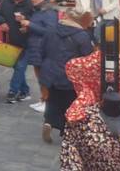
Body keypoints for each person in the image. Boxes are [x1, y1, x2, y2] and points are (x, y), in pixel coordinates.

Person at [37, 8, 94, 144]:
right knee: (70, 102)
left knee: (52, 100)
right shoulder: (82, 35)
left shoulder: (50, 31)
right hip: (70, 75)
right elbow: (87, 57)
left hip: (50, 73)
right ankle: (66, 129)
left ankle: (49, 122)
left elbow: (42, 50)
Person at [18, 0, 57, 113]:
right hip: (35, 46)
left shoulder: (49, 12)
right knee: (39, 75)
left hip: (43, 47)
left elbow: (50, 31)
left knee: (44, 76)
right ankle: (43, 99)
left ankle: (48, 101)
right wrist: (27, 28)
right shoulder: (37, 11)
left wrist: (30, 25)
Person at [0, 0, 34, 103]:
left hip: (27, 41)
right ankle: (25, 91)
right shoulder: (6, 3)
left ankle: (13, 90)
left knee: (20, 66)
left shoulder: (30, 4)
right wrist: (2, 22)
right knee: (17, 67)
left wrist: (27, 24)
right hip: (11, 41)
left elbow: (37, 19)